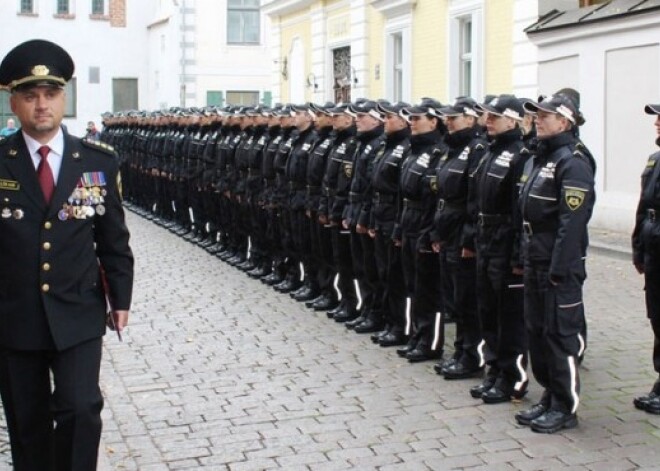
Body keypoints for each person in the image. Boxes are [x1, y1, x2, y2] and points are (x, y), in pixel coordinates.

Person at [0, 39, 134, 469]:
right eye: (30, 95)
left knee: (80, 408)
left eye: (51, 94)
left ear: (64, 98)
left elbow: (113, 238)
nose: (42, 105)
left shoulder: (96, 162)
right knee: (27, 422)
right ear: (13, 102)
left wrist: (122, 300)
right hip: (13, 314)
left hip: (77, 308)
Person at [517, 92, 595, 433]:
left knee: (560, 334)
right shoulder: (541, 157)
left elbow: (572, 221)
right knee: (537, 330)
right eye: (537, 115)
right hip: (535, 256)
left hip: (556, 263)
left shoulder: (572, 160)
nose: (538, 119)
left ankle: (565, 406)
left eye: (545, 116)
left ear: (564, 122)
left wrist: (559, 268)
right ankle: (549, 394)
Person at [632, 102, 660, 415]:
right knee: (657, 316)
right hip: (654, 246)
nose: (657, 123)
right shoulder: (654, 161)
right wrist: (638, 246)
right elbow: (643, 207)